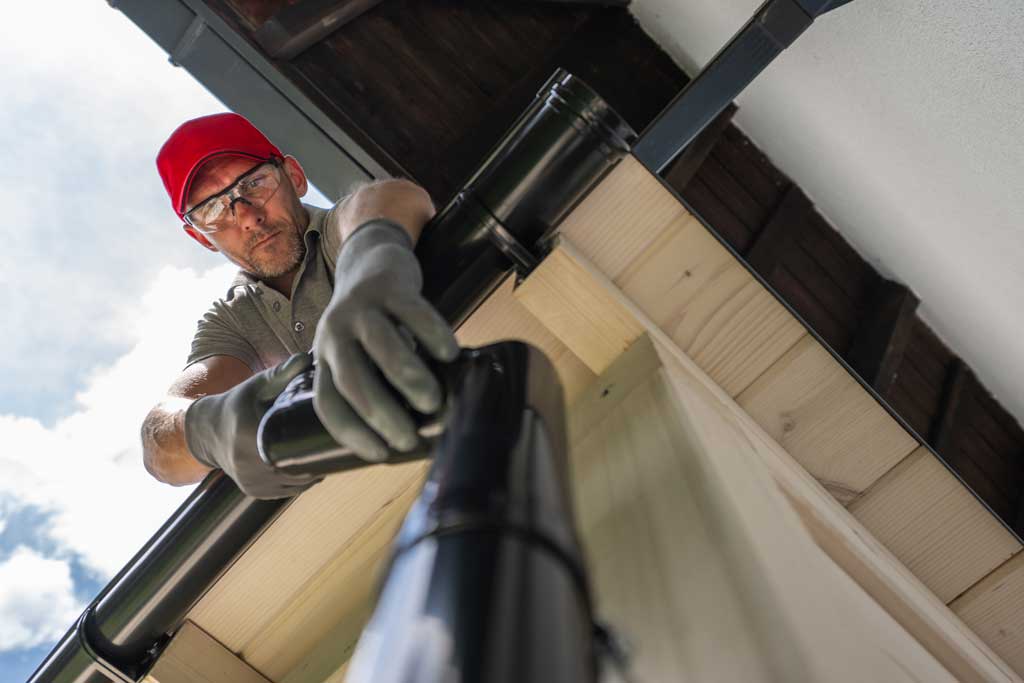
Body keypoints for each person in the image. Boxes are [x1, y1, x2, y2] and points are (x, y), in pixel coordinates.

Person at [140, 112, 458, 499]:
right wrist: (208, 428)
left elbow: (386, 198)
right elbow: (161, 443)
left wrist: (370, 269)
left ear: (294, 176)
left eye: (254, 183)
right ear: (202, 239)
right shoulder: (232, 321)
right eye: (212, 209)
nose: (247, 216)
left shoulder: (339, 231)